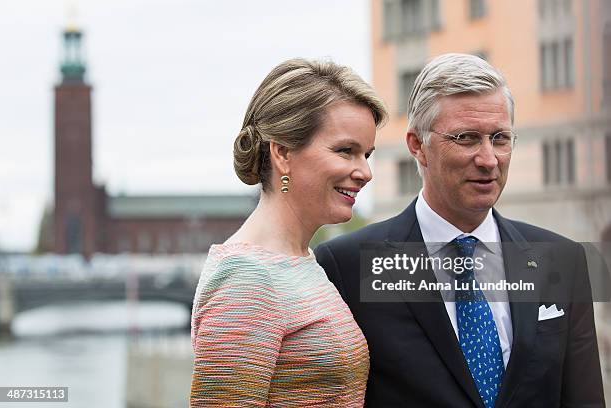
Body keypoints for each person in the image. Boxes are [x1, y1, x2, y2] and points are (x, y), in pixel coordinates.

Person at [315, 53, 606, 407]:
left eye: (500, 138)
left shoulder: (562, 261)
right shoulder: (347, 266)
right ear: (417, 145)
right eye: (466, 138)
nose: (488, 159)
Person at [190, 58, 387, 407]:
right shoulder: (246, 279)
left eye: (367, 154)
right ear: (282, 152)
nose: (365, 172)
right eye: (346, 151)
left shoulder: (299, 260)